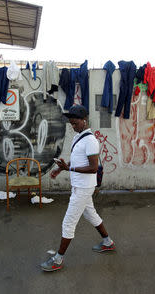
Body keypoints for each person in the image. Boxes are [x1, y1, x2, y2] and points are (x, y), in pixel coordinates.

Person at [40, 104, 115, 272]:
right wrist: (61, 168)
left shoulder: (91, 141)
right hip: (80, 186)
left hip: (83, 188)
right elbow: (78, 160)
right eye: (71, 124)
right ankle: (108, 242)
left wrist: (69, 169)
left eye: (75, 123)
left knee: (68, 223)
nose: (73, 127)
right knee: (91, 215)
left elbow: (93, 168)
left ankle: (58, 260)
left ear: (84, 120)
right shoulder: (78, 137)